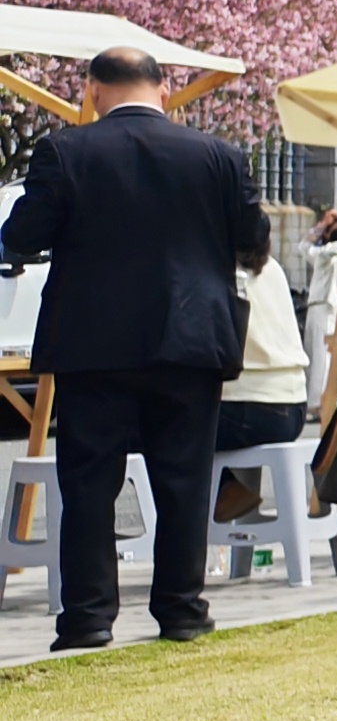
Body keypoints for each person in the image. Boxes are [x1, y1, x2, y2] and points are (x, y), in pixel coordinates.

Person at [0, 42, 261, 650]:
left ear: (92, 90)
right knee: (185, 480)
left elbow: (21, 235)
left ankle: (88, 618)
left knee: (90, 481)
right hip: (193, 337)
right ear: (163, 89)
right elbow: (253, 238)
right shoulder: (219, 155)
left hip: (94, 341)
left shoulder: (65, 151)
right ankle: (181, 610)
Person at [211, 211, 312, 520]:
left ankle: (223, 492)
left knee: (152, 426)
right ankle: (224, 494)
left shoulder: (220, 271)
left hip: (248, 406)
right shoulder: (275, 270)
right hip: (293, 406)